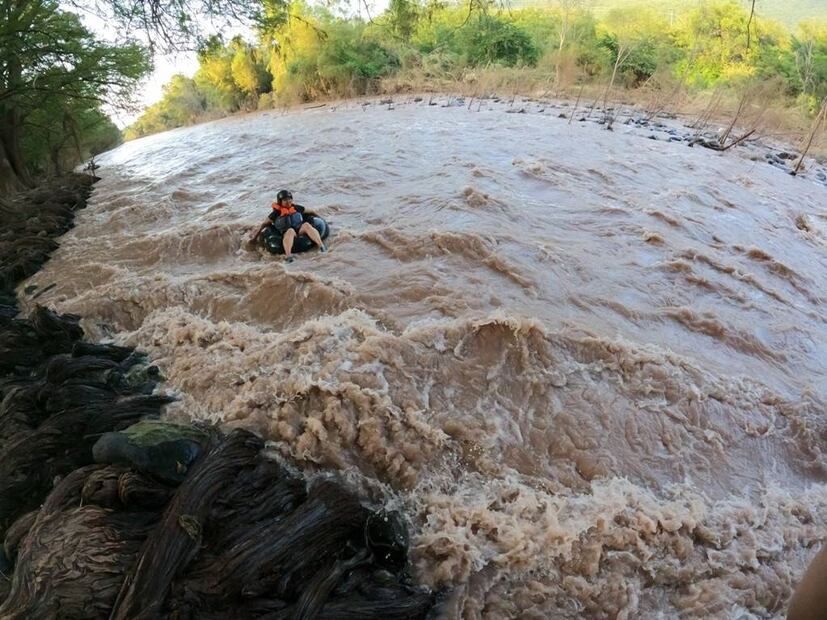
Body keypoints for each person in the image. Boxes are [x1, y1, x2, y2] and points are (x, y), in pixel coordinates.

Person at [249, 189, 327, 262]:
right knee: (290, 230)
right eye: (285, 200)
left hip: (299, 229)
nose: (288, 201)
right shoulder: (276, 214)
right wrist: (255, 238)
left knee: (306, 225)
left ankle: (321, 246)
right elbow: (264, 224)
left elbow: (311, 212)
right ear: (280, 202)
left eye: (289, 199)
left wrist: (321, 219)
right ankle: (288, 256)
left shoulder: (297, 208)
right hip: (286, 232)